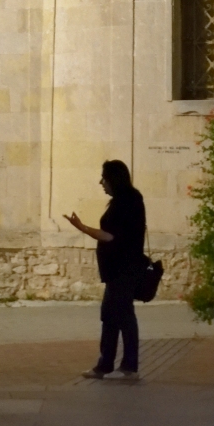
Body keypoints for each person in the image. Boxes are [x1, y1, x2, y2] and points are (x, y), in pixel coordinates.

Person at [64, 159, 146, 380]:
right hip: (116, 270)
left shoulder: (127, 201)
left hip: (124, 269)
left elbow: (110, 236)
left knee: (124, 317)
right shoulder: (124, 200)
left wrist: (82, 228)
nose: (101, 182)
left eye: (104, 178)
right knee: (110, 316)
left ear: (114, 179)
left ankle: (128, 367)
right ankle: (105, 365)